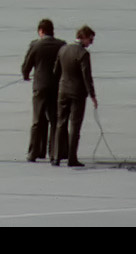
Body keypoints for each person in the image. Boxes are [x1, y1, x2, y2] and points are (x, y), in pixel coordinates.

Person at [52, 25, 97, 167]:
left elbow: (56, 71)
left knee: (60, 124)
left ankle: (56, 157)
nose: (91, 43)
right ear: (83, 37)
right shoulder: (83, 54)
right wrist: (93, 96)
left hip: (63, 91)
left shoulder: (63, 49)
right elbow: (87, 77)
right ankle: (72, 158)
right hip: (77, 93)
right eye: (90, 39)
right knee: (75, 126)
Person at [21, 18, 64, 161]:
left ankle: (34, 152)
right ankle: (54, 152)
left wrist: (26, 75)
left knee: (37, 120)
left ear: (41, 31)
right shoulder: (61, 45)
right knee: (54, 120)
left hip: (40, 86)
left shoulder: (36, 45)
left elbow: (27, 64)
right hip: (56, 87)